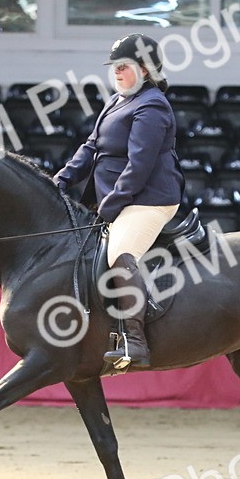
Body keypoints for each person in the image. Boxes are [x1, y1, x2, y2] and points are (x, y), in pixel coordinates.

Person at [52, 33, 184, 370]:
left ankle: (135, 342)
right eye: (115, 67)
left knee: (118, 253)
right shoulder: (117, 101)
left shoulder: (152, 105)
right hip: (120, 198)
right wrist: (60, 181)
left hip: (149, 200)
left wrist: (110, 205)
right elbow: (90, 147)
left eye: (123, 66)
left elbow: (139, 166)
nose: (116, 72)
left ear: (145, 69)